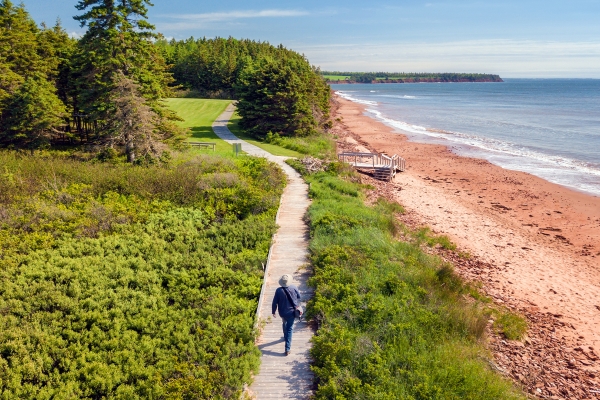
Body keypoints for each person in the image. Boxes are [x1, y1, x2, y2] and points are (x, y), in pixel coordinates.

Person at [272, 274, 301, 356]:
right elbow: (299, 296)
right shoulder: (294, 287)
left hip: (282, 313)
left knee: (284, 323)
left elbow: (275, 302)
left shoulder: (278, 291)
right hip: (292, 312)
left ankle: (285, 337)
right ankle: (287, 349)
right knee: (290, 329)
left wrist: (273, 311)